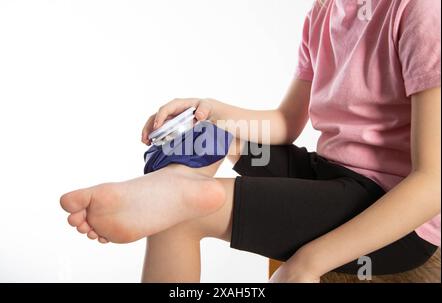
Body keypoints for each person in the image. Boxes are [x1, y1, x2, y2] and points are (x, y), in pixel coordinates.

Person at [60, 0, 441, 282]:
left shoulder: (421, 11)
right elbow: (285, 123)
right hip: (332, 175)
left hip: (394, 210)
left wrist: (308, 262)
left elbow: (433, 182)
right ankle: (174, 185)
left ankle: (178, 198)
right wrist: (208, 110)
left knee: (177, 218)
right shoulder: (325, 11)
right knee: (207, 134)